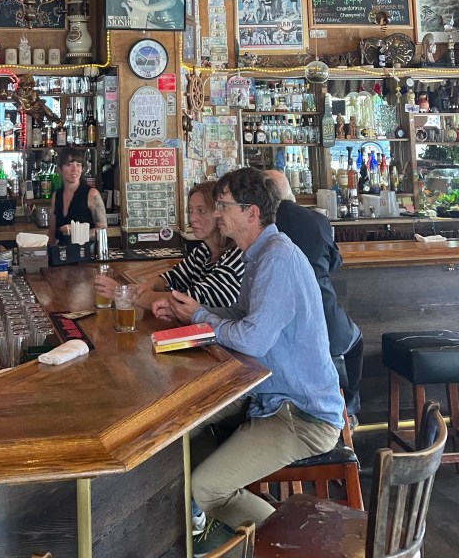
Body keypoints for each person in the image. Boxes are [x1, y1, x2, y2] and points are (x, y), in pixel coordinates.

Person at [152, 168, 343, 552]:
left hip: (302, 416)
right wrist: (198, 311)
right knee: (179, 431)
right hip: (272, 400)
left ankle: (298, 546)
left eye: (223, 205)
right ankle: (201, 528)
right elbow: (241, 317)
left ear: (251, 212)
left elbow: (252, 339)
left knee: (207, 486)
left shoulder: (276, 259)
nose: (217, 213)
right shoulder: (258, 254)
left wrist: (199, 318)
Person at [264, 169, 363, 421]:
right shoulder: (316, 221)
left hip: (279, 332)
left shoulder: (260, 226)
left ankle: (339, 416)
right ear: (289, 190)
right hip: (327, 322)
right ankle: (348, 412)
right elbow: (334, 263)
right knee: (355, 342)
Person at [95, 182, 244, 309]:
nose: (193, 218)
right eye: (190, 211)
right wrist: (149, 285)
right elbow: (172, 278)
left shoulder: (238, 256)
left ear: (219, 213)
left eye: (201, 211)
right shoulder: (204, 251)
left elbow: (190, 302)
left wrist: (123, 294)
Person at [47, 147, 107, 244]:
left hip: (86, 254)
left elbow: (102, 229)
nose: (74, 169)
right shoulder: (56, 195)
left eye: (78, 165)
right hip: (61, 254)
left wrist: (76, 231)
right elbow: (52, 233)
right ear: (60, 169)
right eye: (69, 164)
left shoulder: (92, 194)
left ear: (82, 169)